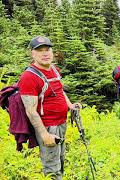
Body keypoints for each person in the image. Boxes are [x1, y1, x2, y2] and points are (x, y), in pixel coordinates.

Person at [19, 36, 81, 179]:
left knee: (60, 160)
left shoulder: (53, 69)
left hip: (61, 123)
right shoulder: (29, 77)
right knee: (52, 169)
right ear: (32, 53)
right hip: (47, 127)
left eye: (47, 50)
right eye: (40, 50)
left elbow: (59, 90)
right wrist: (45, 135)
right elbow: (30, 111)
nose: (45, 53)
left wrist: (70, 105)